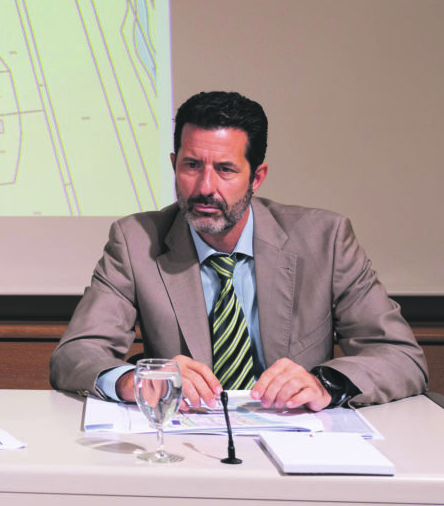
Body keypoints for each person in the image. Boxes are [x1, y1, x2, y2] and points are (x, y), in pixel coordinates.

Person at [50, 91, 427, 410]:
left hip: (297, 435)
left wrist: (325, 384)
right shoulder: (135, 241)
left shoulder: (325, 240)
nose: (205, 187)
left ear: (257, 177)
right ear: (174, 165)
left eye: (226, 169)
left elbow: (402, 358)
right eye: (191, 165)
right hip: (186, 439)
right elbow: (75, 355)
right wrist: (133, 380)